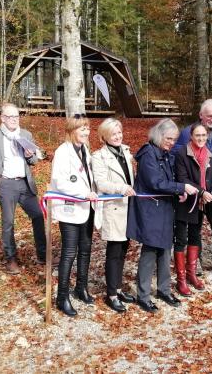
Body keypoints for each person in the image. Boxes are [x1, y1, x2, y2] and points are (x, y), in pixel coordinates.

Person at [127, 119, 198, 313]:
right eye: (169, 138)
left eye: (174, 139)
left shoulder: (165, 154)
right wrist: (181, 187)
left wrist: (178, 191)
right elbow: (155, 182)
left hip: (165, 207)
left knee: (165, 250)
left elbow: (169, 180)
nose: (172, 142)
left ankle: (164, 289)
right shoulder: (149, 154)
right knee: (150, 251)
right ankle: (143, 295)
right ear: (159, 136)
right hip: (151, 209)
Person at [0, 103, 51, 274]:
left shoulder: (26, 134)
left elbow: (33, 161)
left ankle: (42, 255)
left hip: (25, 184)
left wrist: (30, 155)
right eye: (10, 117)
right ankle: (11, 259)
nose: (14, 120)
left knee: (38, 215)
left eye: (16, 116)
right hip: (6, 183)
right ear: (2, 118)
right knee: (8, 222)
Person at [173, 98, 212, 282]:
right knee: (195, 228)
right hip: (196, 193)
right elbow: (180, 166)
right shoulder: (186, 135)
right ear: (201, 116)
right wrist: (197, 191)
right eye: (208, 115)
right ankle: (194, 261)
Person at [50, 115, 98, 317]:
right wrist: (83, 193)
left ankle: (81, 287)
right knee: (69, 252)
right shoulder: (62, 152)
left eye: (87, 128)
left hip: (87, 208)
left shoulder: (85, 150)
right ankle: (62, 297)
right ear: (72, 131)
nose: (86, 132)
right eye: (82, 129)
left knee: (85, 249)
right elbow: (60, 182)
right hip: (70, 209)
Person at [92, 118, 137, 313]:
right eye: (113, 134)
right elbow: (101, 183)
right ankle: (111, 294)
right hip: (113, 208)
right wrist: (121, 188)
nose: (118, 136)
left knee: (124, 249)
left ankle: (118, 289)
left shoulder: (126, 151)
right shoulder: (98, 156)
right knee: (114, 251)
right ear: (104, 137)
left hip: (128, 207)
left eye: (119, 132)